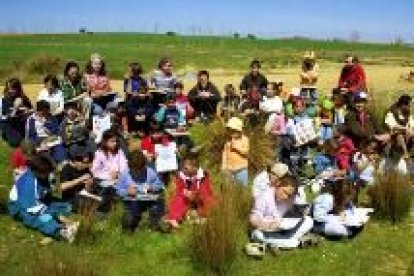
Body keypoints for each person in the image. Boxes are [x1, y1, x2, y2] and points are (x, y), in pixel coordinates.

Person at [8, 152, 79, 242]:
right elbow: (34, 208)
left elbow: (51, 190)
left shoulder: (40, 175)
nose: (49, 175)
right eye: (47, 173)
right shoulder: (28, 184)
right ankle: (61, 232)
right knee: (40, 218)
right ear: (38, 172)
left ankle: (67, 220)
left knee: (62, 205)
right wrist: (59, 217)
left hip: (39, 200)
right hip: (22, 207)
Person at [249, 164, 315, 249]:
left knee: (309, 221)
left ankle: (286, 239)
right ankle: (291, 240)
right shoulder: (264, 197)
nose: (285, 197)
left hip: (283, 226)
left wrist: (302, 208)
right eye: (284, 192)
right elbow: (253, 219)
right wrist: (267, 225)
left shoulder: (290, 198)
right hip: (268, 229)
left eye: (289, 195)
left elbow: (302, 204)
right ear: (278, 184)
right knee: (257, 235)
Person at [117, 150, 165, 232]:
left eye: (140, 170)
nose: (138, 173)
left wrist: (152, 187)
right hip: (131, 203)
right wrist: (127, 191)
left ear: (144, 166)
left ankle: (154, 224)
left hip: (148, 200)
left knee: (159, 201)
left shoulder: (149, 172)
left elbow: (160, 185)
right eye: (135, 170)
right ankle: (134, 223)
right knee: (128, 221)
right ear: (129, 167)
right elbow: (118, 191)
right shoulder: (125, 174)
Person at [166, 154, 215, 228]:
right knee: (178, 199)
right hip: (186, 198)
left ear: (195, 168)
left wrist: (194, 194)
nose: (183, 170)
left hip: (198, 197)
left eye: (186, 168)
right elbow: (179, 190)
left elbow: (205, 191)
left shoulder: (203, 176)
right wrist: (185, 192)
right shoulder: (182, 176)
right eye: (183, 168)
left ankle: (205, 217)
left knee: (208, 199)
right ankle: (173, 219)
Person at [92, 129, 128, 215]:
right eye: (112, 141)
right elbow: (95, 171)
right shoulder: (99, 153)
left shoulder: (119, 151)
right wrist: (108, 175)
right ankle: (102, 210)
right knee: (108, 189)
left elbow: (124, 165)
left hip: (118, 178)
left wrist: (119, 174)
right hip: (104, 180)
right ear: (105, 142)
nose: (115, 143)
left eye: (115, 141)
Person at [59, 145, 94, 212]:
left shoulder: (85, 169)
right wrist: (80, 180)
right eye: (84, 163)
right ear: (75, 160)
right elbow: (61, 187)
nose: (86, 165)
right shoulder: (66, 169)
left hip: (81, 196)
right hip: (68, 198)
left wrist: (88, 184)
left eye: (87, 162)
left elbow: (88, 189)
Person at [1, 78, 32, 147]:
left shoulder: (24, 98)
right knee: (15, 142)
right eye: (8, 88)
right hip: (8, 123)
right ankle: (5, 134)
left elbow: (31, 110)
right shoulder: (4, 99)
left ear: (18, 88)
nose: (10, 91)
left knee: (27, 139)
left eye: (12, 89)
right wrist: (15, 108)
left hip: (20, 123)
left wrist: (27, 110)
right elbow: (6, 115)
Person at [222, 117, 249, 186]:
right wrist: (224, 165)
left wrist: (236, 148)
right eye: (230, 131)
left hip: (241, 168)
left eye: (234, 131)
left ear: (239, 130)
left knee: (242, 187)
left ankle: (241, 196)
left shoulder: (244, 139)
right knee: (229, 186)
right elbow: (225, 153)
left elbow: (246, 152)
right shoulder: (228, 141)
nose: (232, 133)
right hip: (230, 168)